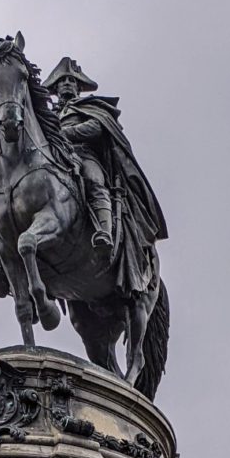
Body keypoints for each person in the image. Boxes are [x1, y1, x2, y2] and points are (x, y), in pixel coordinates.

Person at [43, 56, 167, 294]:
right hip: (55, 162)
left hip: (84, 156)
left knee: (94, 182)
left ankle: (104, 232)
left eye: (71, 80)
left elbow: (96, 128)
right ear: (55, 87)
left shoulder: (92, 107)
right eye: (62, 80)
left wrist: (64, 133)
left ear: (79, 86)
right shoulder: (47, 115)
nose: (67, 84)